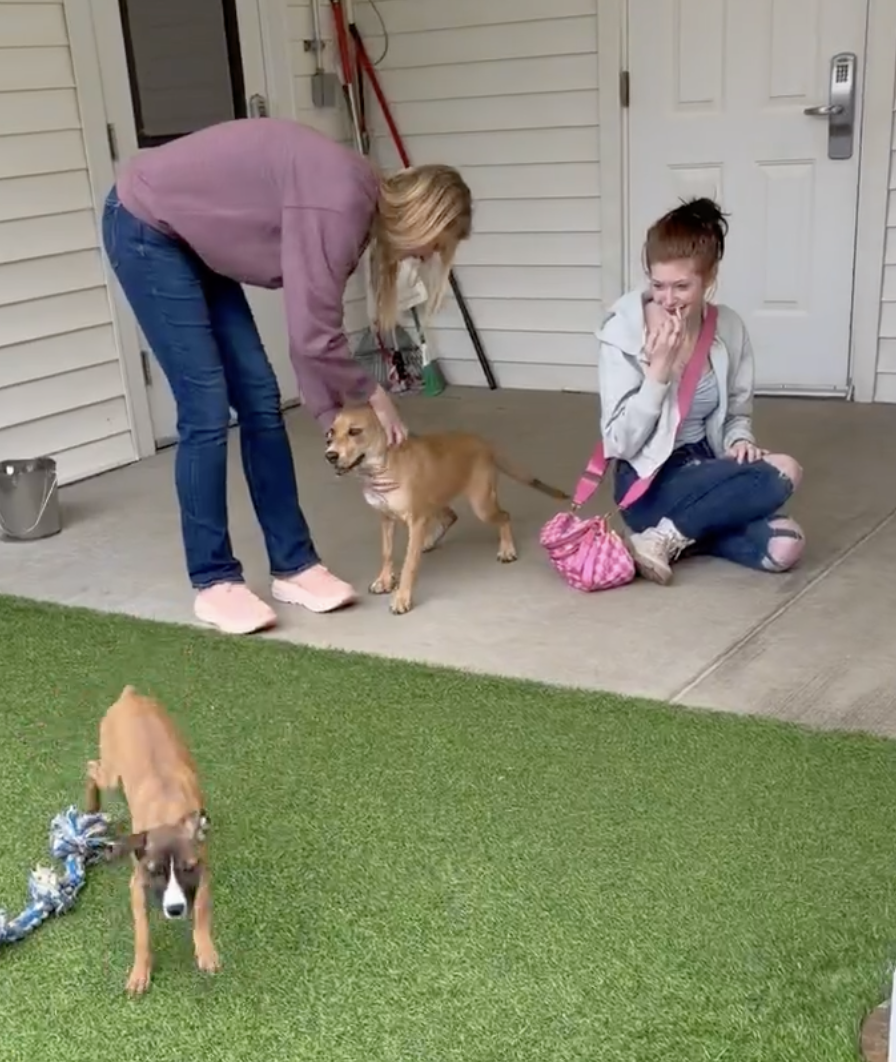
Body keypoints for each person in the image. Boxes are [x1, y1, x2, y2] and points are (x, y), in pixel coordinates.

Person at [102, 117, 472, 634]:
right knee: (206, 407)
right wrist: (372, 395)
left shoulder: (357, 206)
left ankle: (293, 565)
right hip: (146, 225)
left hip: (192, 239)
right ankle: (214, 579)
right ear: (424, 215)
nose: (430, 256)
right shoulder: (342, 202)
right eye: (438, 243)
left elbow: (312, 334)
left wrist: (334, 416)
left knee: (258, 395)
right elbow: (312, 336)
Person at [596, 197, 805, 585]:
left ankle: (674, 536)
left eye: (682, 286)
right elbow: (618, 443)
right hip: (648, 482)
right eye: (658, 285)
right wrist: (657, 372)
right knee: (785, 470)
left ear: (709, 278)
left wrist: (739, 441)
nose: (668, 299)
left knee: (786, 546)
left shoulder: (729, 328)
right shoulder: (623, 333)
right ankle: (664, 533)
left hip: (706, 467)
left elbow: (738, 414)